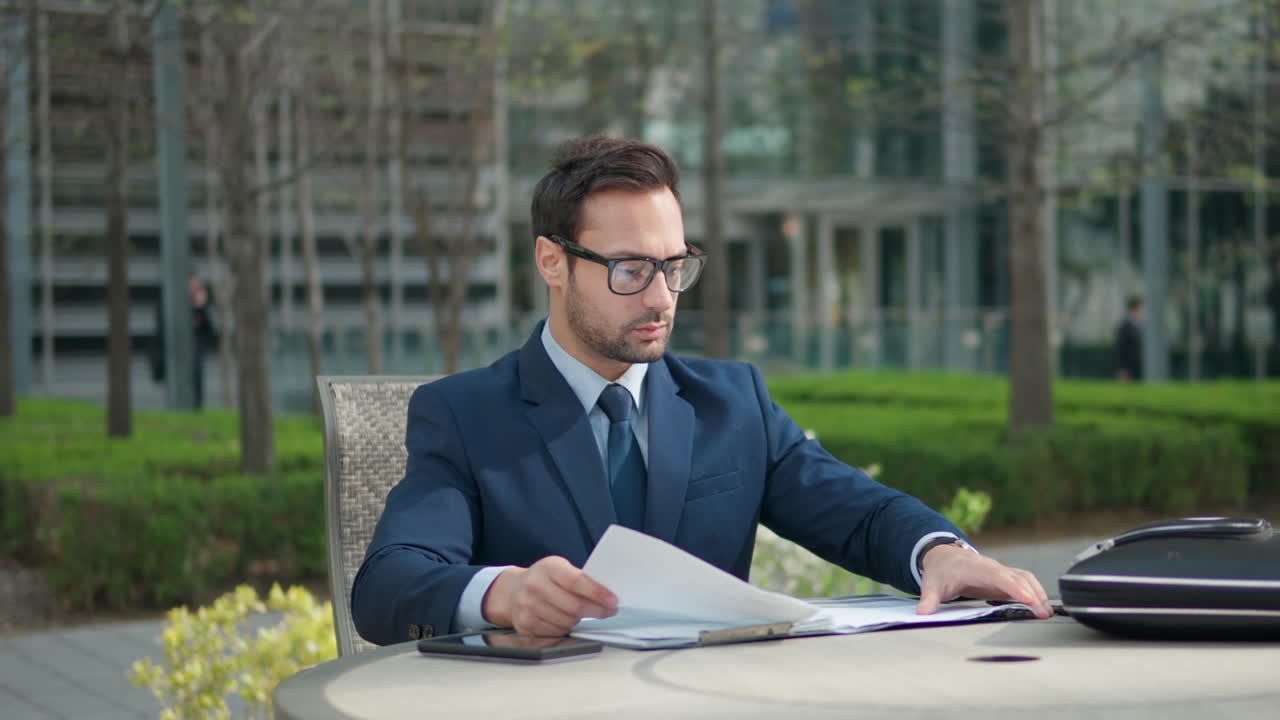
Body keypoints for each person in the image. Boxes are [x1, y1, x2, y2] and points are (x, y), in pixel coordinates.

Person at [351, 137, 1052, 646]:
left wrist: (939, 553)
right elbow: (388, 584)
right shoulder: (465, 415)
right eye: (630, 269)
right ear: (552, 261)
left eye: (674, 265)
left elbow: (856, 513)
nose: (661, 296)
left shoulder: (732, 402)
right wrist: (501, 594)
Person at [149, 272, 217, 409]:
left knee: (195, 375)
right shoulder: (168, 298)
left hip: (195, 346)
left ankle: (196, 407)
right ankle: (177, 405)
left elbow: (209, 330)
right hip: (174, 347)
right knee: (175, 377)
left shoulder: (198, 301)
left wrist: (200, 307)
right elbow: (163, 324)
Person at [1113, 295, 1143, 382]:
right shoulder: (1124, 327)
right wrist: (1122, 369)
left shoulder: (1142, 326)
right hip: (1129, 369)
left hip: (1141, 369)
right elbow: (1119, 350)